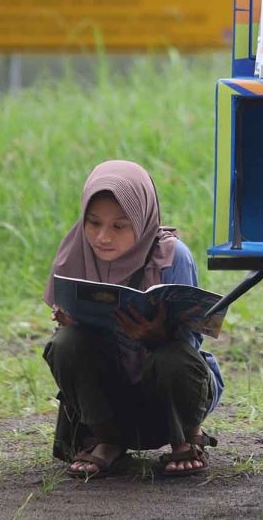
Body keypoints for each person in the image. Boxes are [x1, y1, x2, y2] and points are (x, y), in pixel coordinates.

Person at [42, 160, 225, 478]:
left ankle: (185, 437)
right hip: (112, 394)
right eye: (93, 223)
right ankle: (106, 438)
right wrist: (72, 324)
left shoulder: (172, 257)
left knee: (173, 357)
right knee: (66, 343)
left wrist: (156, 337)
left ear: (142, 220)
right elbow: (76, 346)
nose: (102, 237)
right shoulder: (76, 251)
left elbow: (191, 343)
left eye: (119, 226)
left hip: (166, 390)